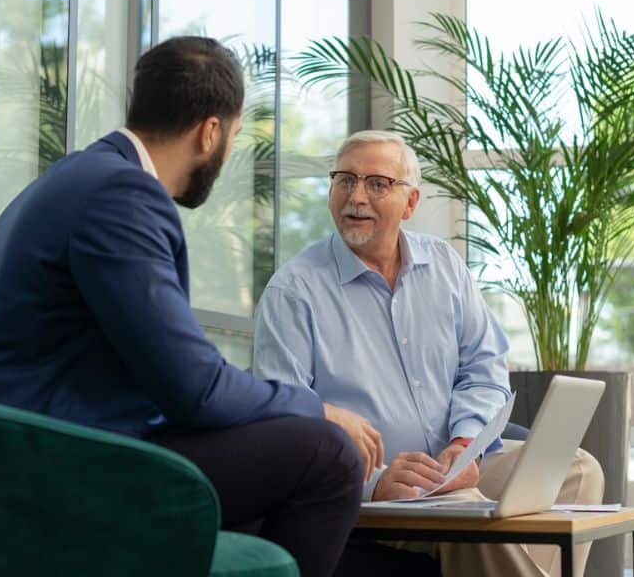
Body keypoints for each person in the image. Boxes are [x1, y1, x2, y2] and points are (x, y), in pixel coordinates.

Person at [0, 37, 382, 577]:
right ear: (211, 132)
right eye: (230, 137)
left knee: (266, 469)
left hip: (33, 446)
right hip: (56, 464)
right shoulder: (122, 195)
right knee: (327, 453)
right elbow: (194, 388)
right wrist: (319, 407)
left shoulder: (75, 179)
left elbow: (171, 379)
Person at [253, 130, 604, 577]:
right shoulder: (294, 290)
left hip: (453, 465)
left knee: (577, 470)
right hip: (376, 492)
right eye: (344, 180)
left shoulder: (444, 266)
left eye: (377, 183)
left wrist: (465, 447)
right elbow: (283, 423)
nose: (356, 196)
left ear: (411, 202)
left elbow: (484, 368)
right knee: (465, 510)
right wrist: (376, 484)